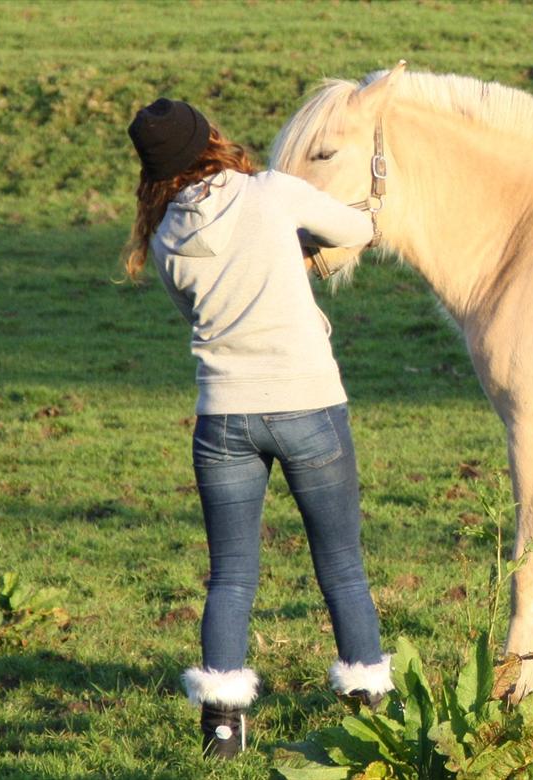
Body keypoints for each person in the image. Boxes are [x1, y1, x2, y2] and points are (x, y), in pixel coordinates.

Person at [123, 98, 391, 759]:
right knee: (342, 567)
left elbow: (200, 310)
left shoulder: (163, 240)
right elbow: (357, 232)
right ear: (208, 139)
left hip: (222, 417)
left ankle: (222, 730)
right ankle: (367, 710)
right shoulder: (270, 193)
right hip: (307, 402)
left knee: (232, 577)